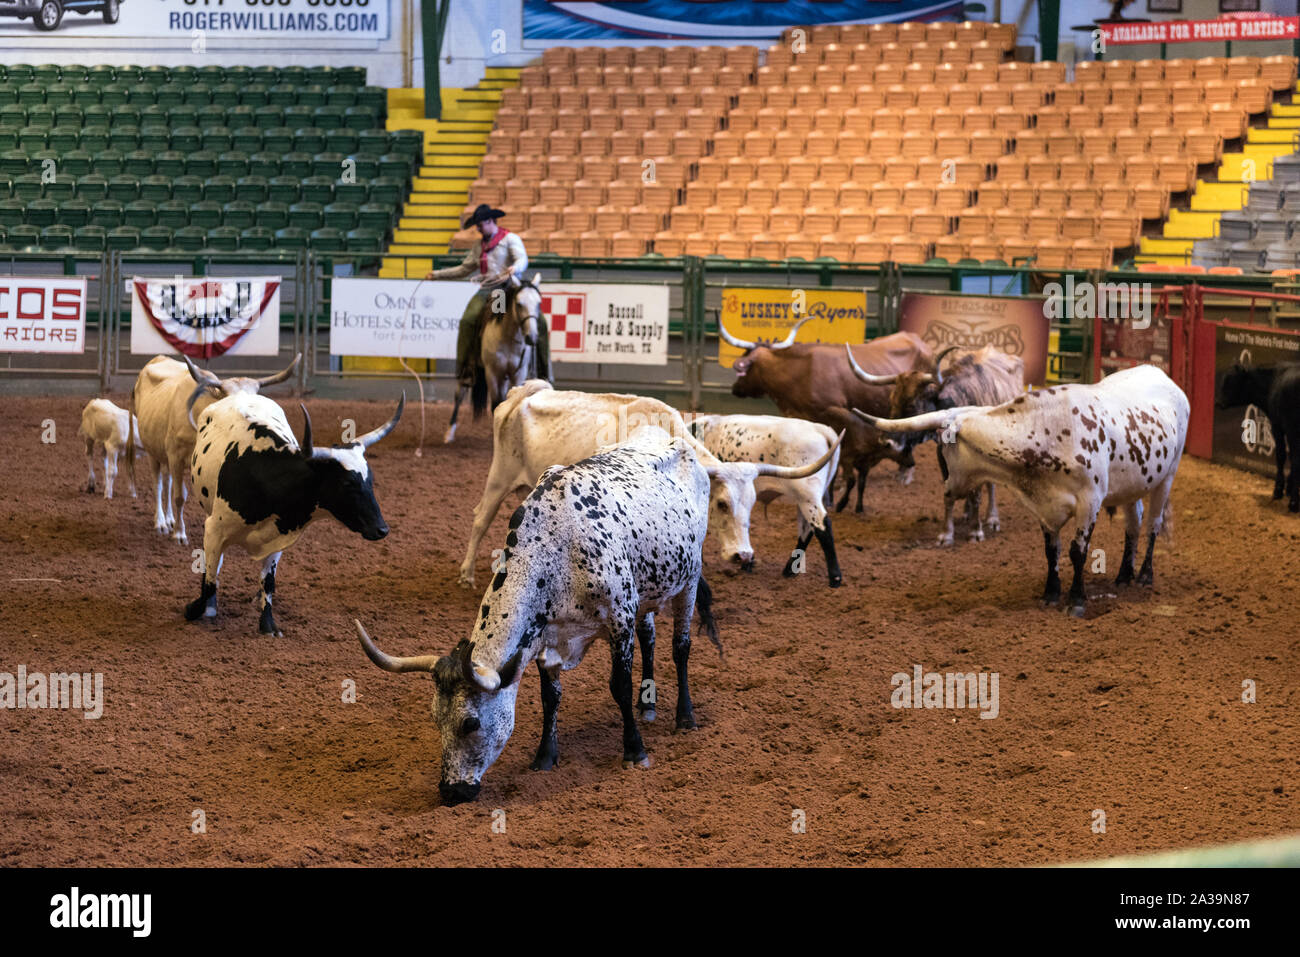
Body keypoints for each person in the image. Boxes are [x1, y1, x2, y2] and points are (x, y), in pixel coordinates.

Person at [426, 204, 549, 383]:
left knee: (539, 322)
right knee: (469, 319)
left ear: (491, 221)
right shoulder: (479, 246)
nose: (478, 228)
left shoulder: (510, 239)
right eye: (477, 225)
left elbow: (522, 258)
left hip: (511, 287)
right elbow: (464, 269)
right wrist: (437, 275)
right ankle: (467, 367)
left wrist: (516, 267)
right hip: (492, 291)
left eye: (481, 224)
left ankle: (544, 371)